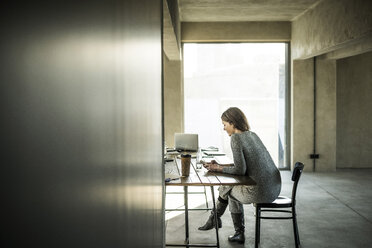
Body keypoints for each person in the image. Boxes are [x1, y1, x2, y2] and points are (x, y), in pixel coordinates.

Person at [198, 107, 281, 244]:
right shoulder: (252, 135)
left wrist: (217, 169)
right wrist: (220, 166)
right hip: (274, 188)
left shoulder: (236, 138)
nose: (224, 128)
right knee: (229, 187)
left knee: (228, 189)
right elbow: (243, 165)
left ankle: (225, 224)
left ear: (232, 123)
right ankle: (216, 219)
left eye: (224, 124)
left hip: (261, 191)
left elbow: (240, 170)